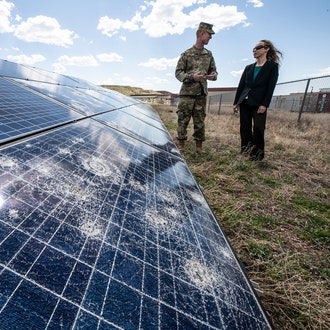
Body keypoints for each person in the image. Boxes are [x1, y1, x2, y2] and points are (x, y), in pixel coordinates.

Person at [233, 40, 283, 161]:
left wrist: (264, 104)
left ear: (266, 49)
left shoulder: (272, 67)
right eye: (253, 49)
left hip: (259, 103)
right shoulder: (249, 67)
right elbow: (241, 86)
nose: (255, 50)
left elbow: (271, 87)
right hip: (245, 101)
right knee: (245, 127)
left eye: (258, 48)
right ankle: (245, 151)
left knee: (259, 129)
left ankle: (257, 155)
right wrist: (236, 102)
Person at [175, 22, 218, 154]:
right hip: (187, 94)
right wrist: (191, 77)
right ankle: (181, 145)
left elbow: (214, 72)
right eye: (209, 35)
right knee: (183, 119)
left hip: (201, 95)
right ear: (201, 34)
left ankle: (199, 147)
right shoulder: (186, 54)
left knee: (200, 121)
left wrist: (213, 76)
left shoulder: (209, 55)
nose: (210, 37)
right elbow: (178, 73)